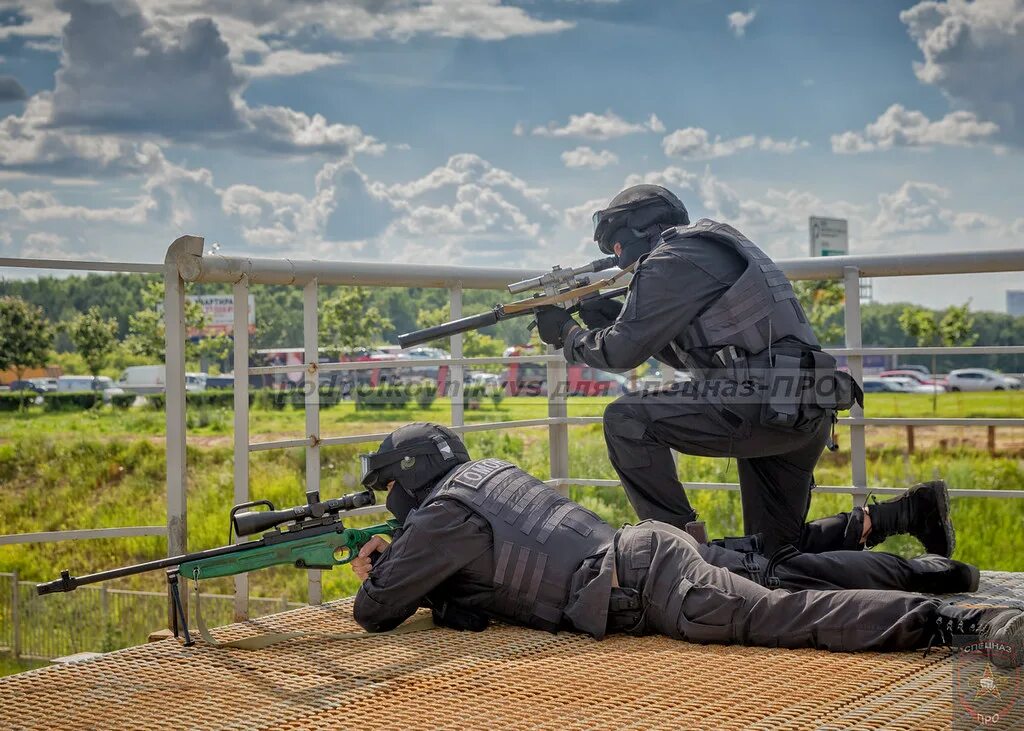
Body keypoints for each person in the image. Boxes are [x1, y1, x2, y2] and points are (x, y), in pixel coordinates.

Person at [351, 423, 1023, 668]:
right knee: (779, 568)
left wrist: (373, 566)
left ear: (407, 480)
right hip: (645, 547)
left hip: (644, 580)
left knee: (778, 615)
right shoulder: (487, 474)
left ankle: (962, 622)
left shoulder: (441, 515)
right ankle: (935, 571)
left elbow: (375, 610)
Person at [534, 184, 953, 558]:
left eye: (617, 249)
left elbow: (620, 354)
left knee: (625, 419)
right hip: (800, 405)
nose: (617, 260)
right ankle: (904, 514)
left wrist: (569, 333)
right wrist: (621, 321)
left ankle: (678, 555)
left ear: (633, 232)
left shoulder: (669, 259)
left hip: (759, 402)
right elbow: (703, 358)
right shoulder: (712, 245)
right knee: (774, 553)